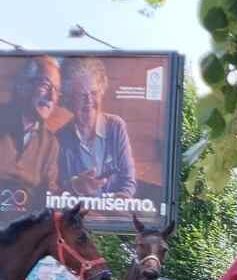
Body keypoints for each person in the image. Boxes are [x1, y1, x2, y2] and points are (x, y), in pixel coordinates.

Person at [57, 57, 136, 198]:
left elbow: (128, 182)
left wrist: (117, 202)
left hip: (112, 210)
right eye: (81, 95)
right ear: (69, 98)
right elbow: (58, 191)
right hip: (77, 212)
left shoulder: (116, 127)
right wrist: (76, 187)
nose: (89, 101)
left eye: (94, 93)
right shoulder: (60, 138)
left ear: (101, 92)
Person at [0, 55, 60, 208]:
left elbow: (50, 196)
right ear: (23, 86)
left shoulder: (50, 143)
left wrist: (75, 187)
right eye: (45, 86)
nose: (52, 97)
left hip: (24, 221)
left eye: (57, 90)